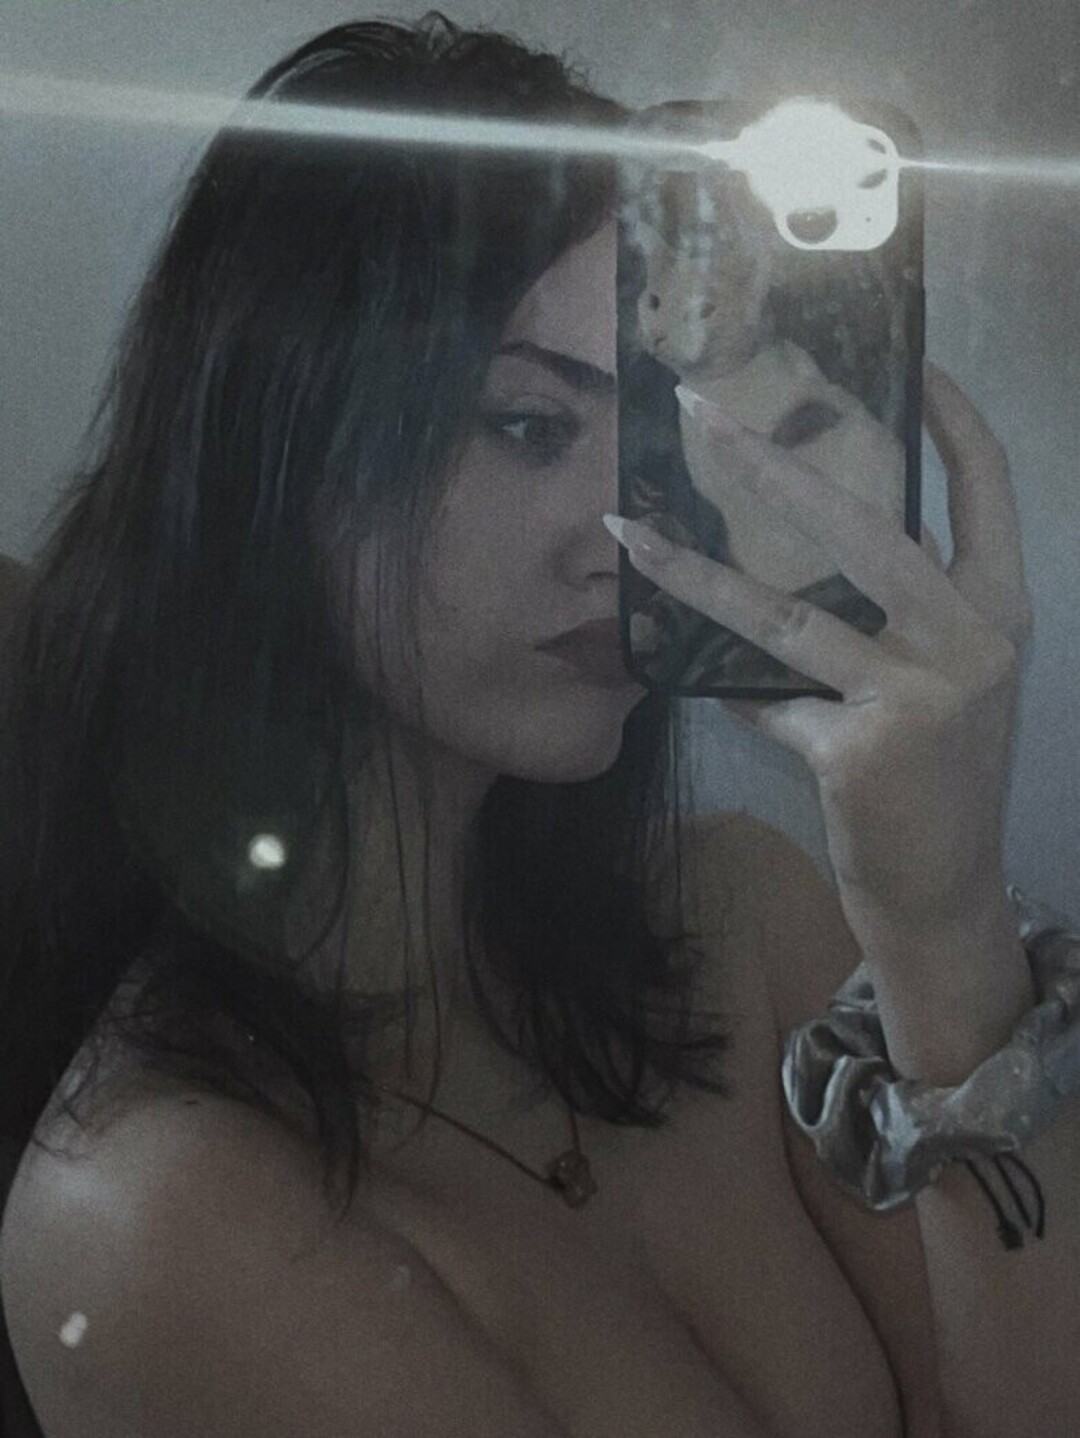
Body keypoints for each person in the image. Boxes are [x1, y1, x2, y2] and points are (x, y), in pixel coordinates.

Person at [1, 14, 1077, 1438]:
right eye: (528, 427)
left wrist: (944, 930)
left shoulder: (742, 916)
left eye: (654, 431)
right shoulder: (164, 1217)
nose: (631, 535)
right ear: (282, 441)